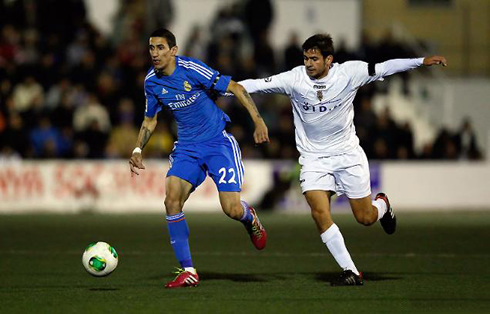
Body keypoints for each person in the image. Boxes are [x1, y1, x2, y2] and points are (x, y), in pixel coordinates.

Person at [238, 34, 447, 286]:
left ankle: (382, 205)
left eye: (314, 58)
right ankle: (350, 271)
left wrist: (420, 60)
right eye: (305, 58)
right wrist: (219, 86)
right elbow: (256, 84)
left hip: (347, 155)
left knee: (365, 217)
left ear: (329, 60)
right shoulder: (294, 79)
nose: (308, 63)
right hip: (314, 158)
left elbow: (385, 67)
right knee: (318, 211)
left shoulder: (350, 73)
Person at [129, 28, 270, 289]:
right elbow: (150, 119)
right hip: (187, 148)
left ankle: (249, 217)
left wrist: (258, 121)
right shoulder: (151, 81)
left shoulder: (192, 69)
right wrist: (138, 149)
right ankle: (189, 270)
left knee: (231, 209)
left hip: (218, 143)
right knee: (171, 199)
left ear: (173, 50)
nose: (155, 53)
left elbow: (236, 88)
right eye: (151, 48)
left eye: (160, 48)